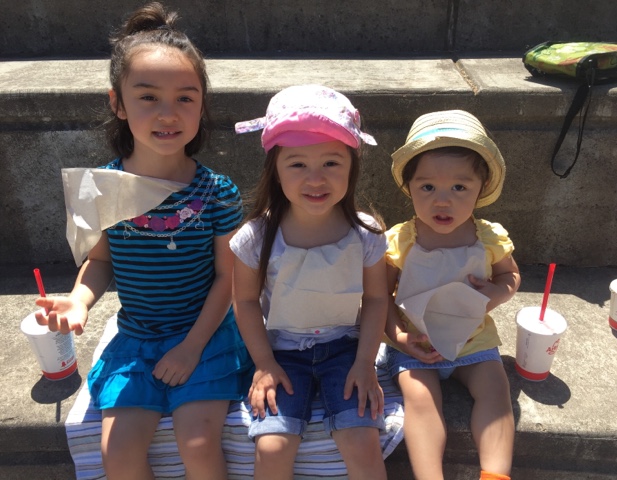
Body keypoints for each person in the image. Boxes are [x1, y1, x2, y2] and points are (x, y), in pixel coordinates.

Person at [35, 3, 252, 479]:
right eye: (148, 96)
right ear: (117, 103)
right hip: (136, 338)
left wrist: (191, 347)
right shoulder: (101, 187)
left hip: (206, 335)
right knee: (118, 453)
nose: (168, 113)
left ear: (202, 105)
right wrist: (78, 301)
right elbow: (100, 262)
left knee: (198, 443)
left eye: (185, 98)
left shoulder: (217, 191)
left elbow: (228, 278)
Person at [231, 84, 389, 480]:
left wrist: (365, 362)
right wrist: (264, 363)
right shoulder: (256, 236)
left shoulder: (366, 233)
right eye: (297, 164)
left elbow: (376, 299)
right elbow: (245, 302)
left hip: (346, 349)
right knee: (272, 447)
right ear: (275, 169)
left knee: (363, 442)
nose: (315, 178)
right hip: (281, 352)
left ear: (352, 166)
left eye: (332, 163)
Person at [384, 110, 520, 480]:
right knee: (420, 400)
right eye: (427, 187)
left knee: (496, 391)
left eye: (460, 187)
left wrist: (497, 292)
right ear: (409, 187)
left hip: (473, 340)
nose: (442, 201)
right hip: (417, 343)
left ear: (481, 188)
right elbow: (379, 297)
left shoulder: (488, 237)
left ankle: (495, 475)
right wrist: (398, 336)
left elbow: (510, 275)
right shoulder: (401, 240)